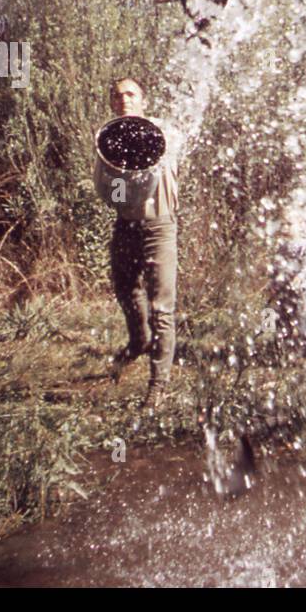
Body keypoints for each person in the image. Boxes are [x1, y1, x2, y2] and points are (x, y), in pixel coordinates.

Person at [95, 78, 182, 410]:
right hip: (125, 224)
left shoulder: (165, 132)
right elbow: (110, 194)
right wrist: (121, 180)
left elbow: (170, 155)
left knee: (162, 306)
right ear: (112, 103)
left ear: (143, 99)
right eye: (117, 96)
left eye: (131, 94)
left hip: (160, 225)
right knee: (125, 288)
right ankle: (139, 341)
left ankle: (158, 387)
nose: (124, 100)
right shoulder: (108, 140)